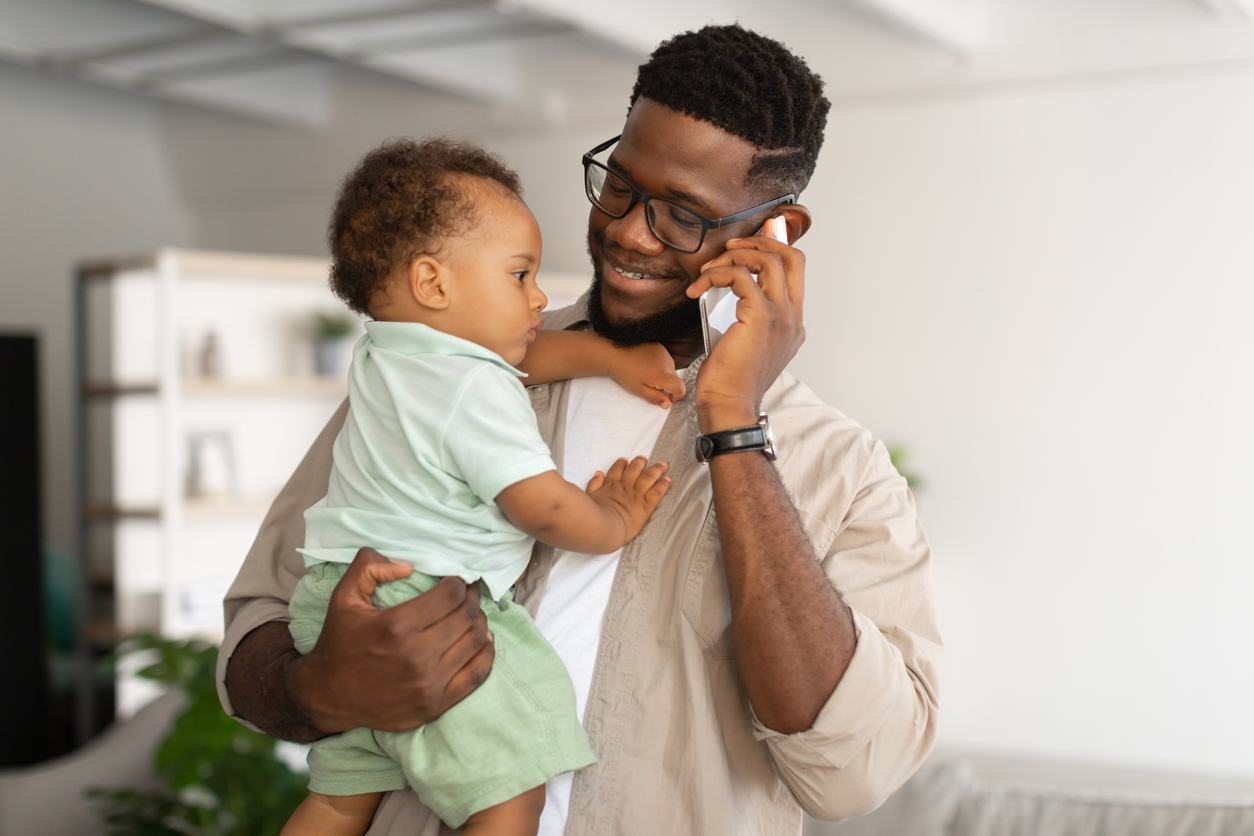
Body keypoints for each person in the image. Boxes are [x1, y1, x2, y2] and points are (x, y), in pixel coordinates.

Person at [219, 23, 942, 836]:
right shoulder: (448, 367)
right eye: (621, 185)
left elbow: (852, 774)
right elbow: (257, 628)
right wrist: (318, 688)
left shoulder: (841, 468)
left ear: (776, 233)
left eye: (683, 215)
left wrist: (735, 422)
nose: (631, 231)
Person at [278, 139, 687, 836]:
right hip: (431, 611)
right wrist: (613, 517)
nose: (540, 297)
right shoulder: (473, 389)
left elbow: (524, 360)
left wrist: (611, 361)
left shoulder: (389, 352)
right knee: (510, 793)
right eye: (520, 274)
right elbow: (540, 505)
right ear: (435, 284)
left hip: (338, 603)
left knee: (339, 801)